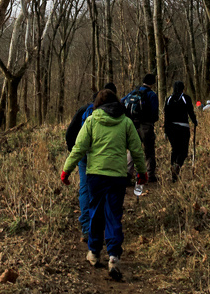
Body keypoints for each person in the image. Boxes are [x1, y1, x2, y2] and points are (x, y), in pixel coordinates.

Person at [61, 89, 146, 280]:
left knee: (96, 212)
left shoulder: (91, 121)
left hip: (95, 176)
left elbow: (79, 148)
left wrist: (66, 170)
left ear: (98, 104)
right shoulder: (126, 122)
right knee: (114, 214)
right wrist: (142, 173)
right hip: (117, 176)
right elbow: (137, 150)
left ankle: (94, 252)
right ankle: (114, 256)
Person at [65, 83, 118, 241]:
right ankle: (102, 226)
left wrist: (74, 152)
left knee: (85, 189)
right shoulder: (116, 112)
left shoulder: (84, 110)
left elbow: (70, 133)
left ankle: (87, 227)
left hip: (84, 155)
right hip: (104, 156)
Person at [122, 73, 159, 183]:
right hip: (146, 126)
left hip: (132, 125)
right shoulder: (152, 94)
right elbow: (154, 112)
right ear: (152, 83)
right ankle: (150, 174)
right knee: (149, 150)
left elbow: (121, 101)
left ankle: (128, 174)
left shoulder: (133, 92)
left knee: (133, 149)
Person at [164, 80, 198, 181]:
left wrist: (166, 130)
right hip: (183, 127)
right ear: (183, 88)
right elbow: (190, 111)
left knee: (175, 149)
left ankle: (173, 169)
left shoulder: (168, 99)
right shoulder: (185, 98)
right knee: (183, 151)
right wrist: (194, 121)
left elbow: (166, 116)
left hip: (170, 128)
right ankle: (177, 166)